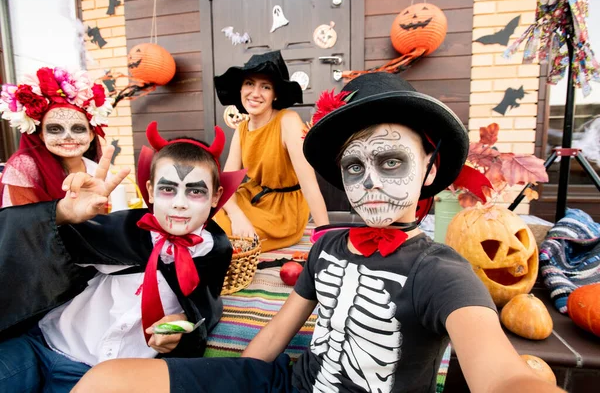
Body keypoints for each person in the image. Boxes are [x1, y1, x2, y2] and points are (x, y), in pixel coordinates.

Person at [71, 73, 564, 393]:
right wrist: (233, 378)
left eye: (391, 162)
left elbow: (502, 376)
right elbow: (277, 333)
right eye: (354, 166)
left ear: (430, 171)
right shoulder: (327, 245)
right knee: (105, 380)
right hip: (283, 381)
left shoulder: (442, 270)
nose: (368, 182)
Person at [0, 122, 245, 392]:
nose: (179, 202)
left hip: (104, 376)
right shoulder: (126, 230)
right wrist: (64, 214)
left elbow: (204, 309)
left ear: (216, 196)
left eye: (195, 191)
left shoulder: (213, 252)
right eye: (167, 189)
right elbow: (40, 252)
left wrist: (181, 327)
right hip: (44, 344)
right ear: (150, 191)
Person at [213, 50, 329, 251]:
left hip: (283, 211)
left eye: (265, 87)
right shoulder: (242, 128)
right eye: (249, 83)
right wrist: (237, 215)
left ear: (275, 95)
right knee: (203, 216)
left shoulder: (288, 121)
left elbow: (309, 185)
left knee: (222, 239)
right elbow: (228, 183)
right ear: (240, 89)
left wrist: (327, 238)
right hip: (252, 197)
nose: (255, 93)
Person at [0, 67, 115, 207]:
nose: (67, 136)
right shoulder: (25, 167)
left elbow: (108, 218)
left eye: (78, 129)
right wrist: (65, 213)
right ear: (41, 135)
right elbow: (20, 222)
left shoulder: (99, 172)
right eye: (55, 129)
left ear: (91, 135)